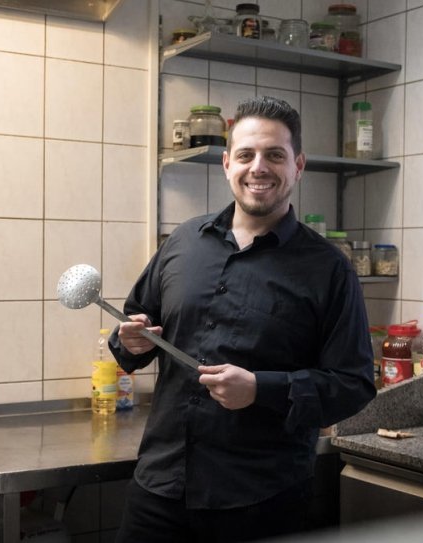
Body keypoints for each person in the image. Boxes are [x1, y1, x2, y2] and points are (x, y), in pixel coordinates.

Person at [108, 95, 376, 542]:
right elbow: (134, 329)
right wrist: (130, 343)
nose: (259, 168)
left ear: (298, 165)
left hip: (259, 500)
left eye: (275, 155)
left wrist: (261, 390)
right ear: (227, 163)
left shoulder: (328, 268)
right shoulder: (183, 243)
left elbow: (353, 384)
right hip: (160, 487)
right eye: (247, 155)